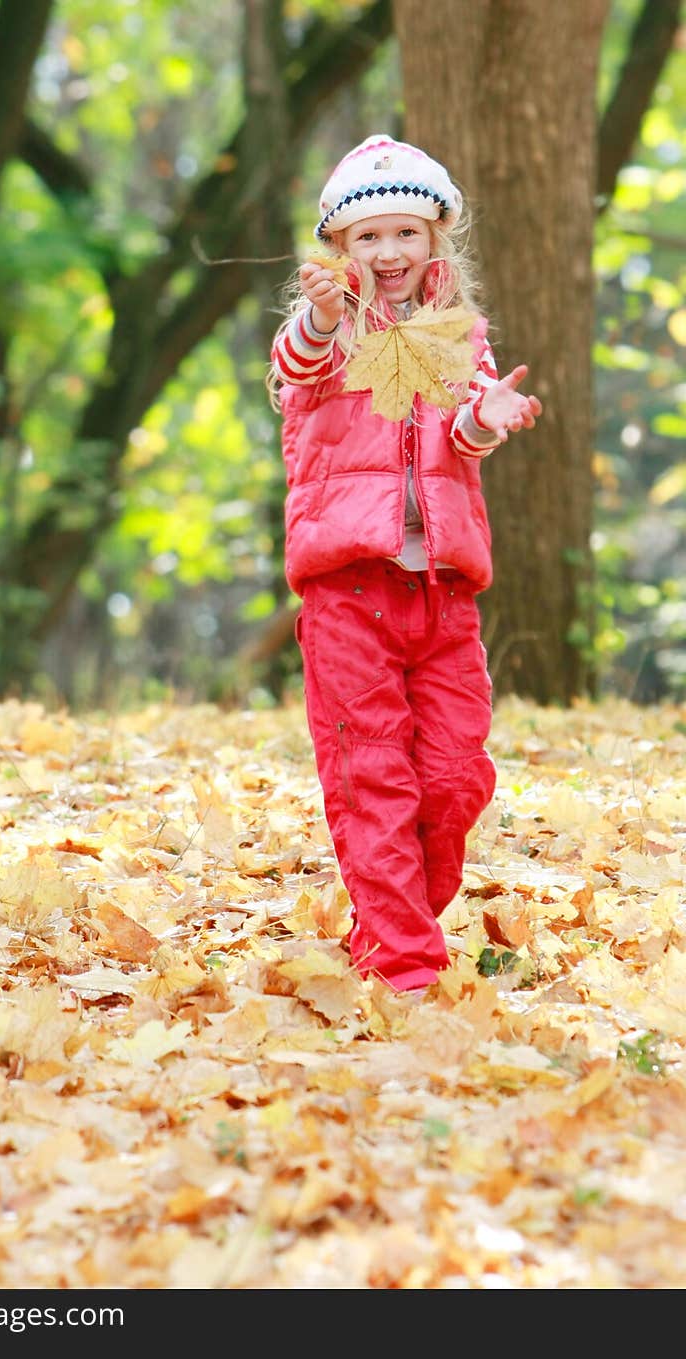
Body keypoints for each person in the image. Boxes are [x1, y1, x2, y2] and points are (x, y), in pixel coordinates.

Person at [268, 135, 542, 996]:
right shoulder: (325, 333)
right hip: (349, 591)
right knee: (373, 774)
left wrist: (490, 415)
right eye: (367, 238)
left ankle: (394, 922)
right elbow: (294, 368)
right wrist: (318, 316)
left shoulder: (459, 334)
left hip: (443, 593)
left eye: (406, 235)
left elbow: (462, 434)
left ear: (435, 240)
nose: (389, 253)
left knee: (457, 777)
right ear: (339, 250)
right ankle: (406, 967)